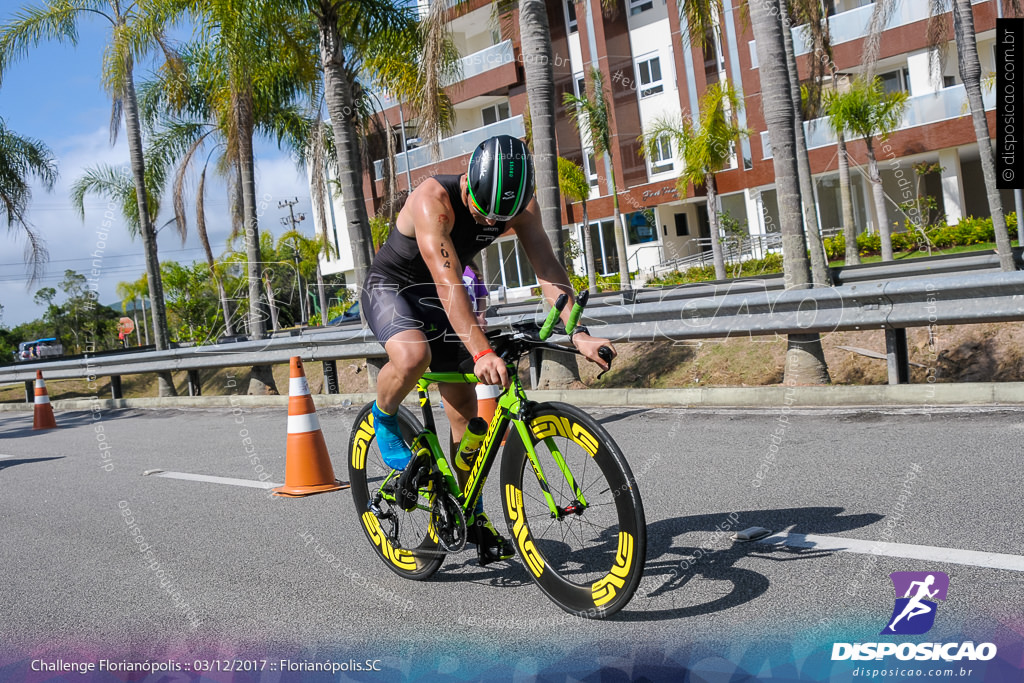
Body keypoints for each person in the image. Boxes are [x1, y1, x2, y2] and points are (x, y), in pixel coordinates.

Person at [360, 135, 615, 565]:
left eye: (501, 218)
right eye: (482, 212)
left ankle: (466, 510)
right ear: (466, 186)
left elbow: (547, 269)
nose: (490, 222)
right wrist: (481, 352)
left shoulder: (521, 206)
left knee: (469, 420)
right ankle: (384, 420)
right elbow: (447, 281)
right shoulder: (432, 200)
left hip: (445, 301)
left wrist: (579, 333)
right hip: (395, 290)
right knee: (412, 356)